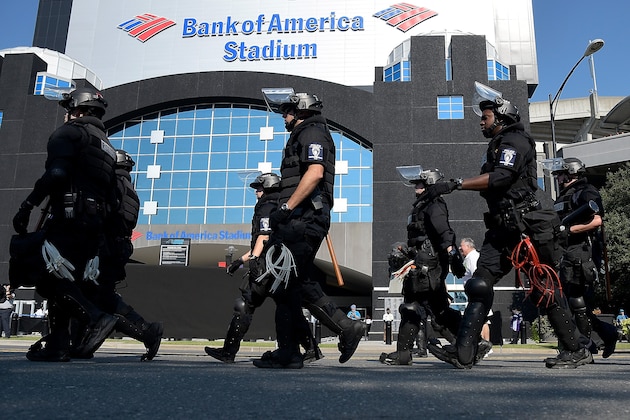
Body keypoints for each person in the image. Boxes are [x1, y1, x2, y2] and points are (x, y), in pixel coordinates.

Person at [425, 90, 591, 369]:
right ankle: (465, 351)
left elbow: (503, 176)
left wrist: (455, 184)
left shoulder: (515, 140)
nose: (481, 122)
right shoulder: (499, 143)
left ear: (501, 117)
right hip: (503, 229)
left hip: (529, 228)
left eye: (486, 117)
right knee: (479, 284)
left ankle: (576, 349)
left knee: (543, 287)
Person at [252, 91, 364, 369]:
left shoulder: (311, 131)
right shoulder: (305, 133)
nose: (283, 117)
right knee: (292, 283)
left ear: (300, 110)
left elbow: (314, 173)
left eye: (287, 111)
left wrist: (286, 208)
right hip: (301, 219)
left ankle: (292, 351)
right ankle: (337, 331)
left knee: (285, 284)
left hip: (302, 218)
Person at [12, 87, 119, 362]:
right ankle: (58, 345)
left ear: (77, 110)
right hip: (94, 223)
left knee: (46, 276)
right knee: (66, 279)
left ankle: (94, 318)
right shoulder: (107, 147)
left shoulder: (70, 133)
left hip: (69, 217)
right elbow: (113, 197)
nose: (66, 116)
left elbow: (57, 173)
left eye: (68, 110)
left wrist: (28, 205)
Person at [205, 173, 322, 364]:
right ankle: (311, 348)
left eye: (258, 188)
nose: (256, 192)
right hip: (278, 266)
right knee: (289, 305)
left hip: (266, 267)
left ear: (267, 188)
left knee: (245, 303)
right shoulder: (280, 204)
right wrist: (239, 261)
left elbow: (264, 236)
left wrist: (253, 260)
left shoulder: (266, 206)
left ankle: (228, 351)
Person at [69, 149, 163, 361]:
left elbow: (102, 214)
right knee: (104, 296)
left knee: (84, 293)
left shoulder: (113, 185)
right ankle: (147, 331)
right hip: (119, 248)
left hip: (104, 247)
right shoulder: (131, 191)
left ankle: (77, 342)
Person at [379, 167, 467, 366]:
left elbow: (445, 233)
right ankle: (466, 345)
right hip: (422, 263)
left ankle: (470, 345)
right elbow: (420, 238)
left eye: (418, 184)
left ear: (428, 184)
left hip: (430, 266)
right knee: (429, 310)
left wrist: (453, 257)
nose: (415, 188)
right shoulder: (423, 205)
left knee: (427, 310)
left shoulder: (434, 205)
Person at [546, 157, 617, 358]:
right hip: (565, 253)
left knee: (577, 302)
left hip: (580, 252)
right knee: (568, 303)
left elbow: (596, 220)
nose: (557, 178)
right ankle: (604, 333)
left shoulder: (585, 191)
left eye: (560, 174)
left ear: (571, 173)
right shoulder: (564, 196)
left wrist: (568, 230)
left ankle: (583, 348)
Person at [460, 238, 493, 355]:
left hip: (477, 293)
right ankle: (483, 345)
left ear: (468, 246)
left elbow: (477, 273)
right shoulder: (470, 257)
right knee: (481, 320)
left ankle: (485, 346)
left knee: (482, 320)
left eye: (462, 246)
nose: (460, 248)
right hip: (474, 293)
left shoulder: (472, 258)